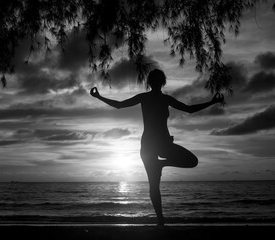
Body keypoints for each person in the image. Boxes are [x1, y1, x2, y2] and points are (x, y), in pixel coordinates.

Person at [90, 69, 224, 226]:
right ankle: (160, 220)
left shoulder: (155, 98)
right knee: (157, 182)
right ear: (161, 82)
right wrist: (212, 102)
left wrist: (99, 96)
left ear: (153, 82)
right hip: (155, 144)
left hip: (154, 144)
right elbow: (189, 109)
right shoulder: (155, 98)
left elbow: (188, 109)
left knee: (176, 171)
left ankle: (162, 173)